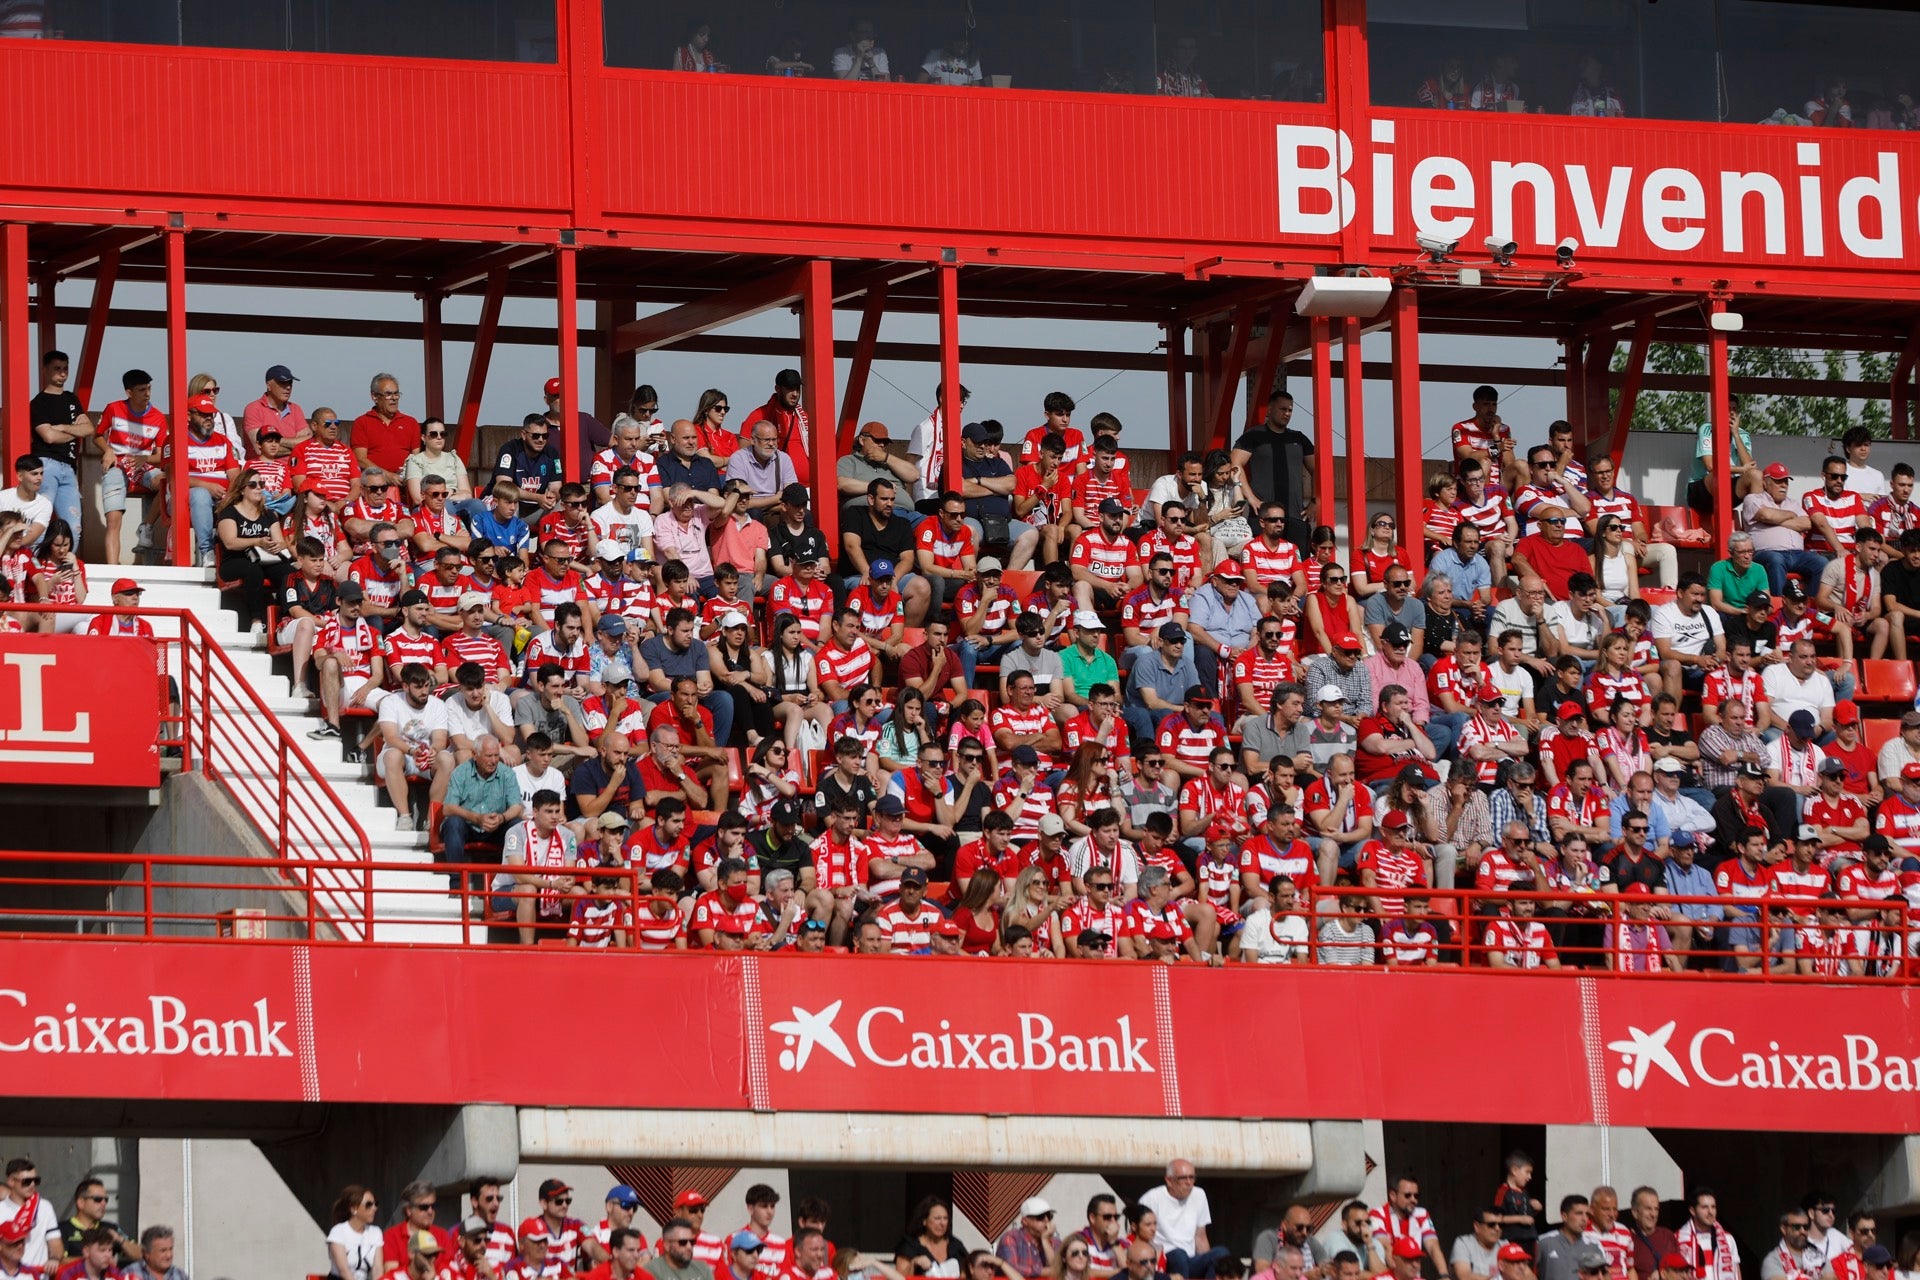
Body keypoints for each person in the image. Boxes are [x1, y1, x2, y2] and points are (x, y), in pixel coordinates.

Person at [1140, 1161, 1227, 1280]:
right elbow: (1139, 1235)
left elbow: (1200, 1237)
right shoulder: (1152, 1198)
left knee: (1221, 1253)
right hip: (1164, 1259)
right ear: (1169, 1180)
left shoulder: (1199, 1195)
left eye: (1192, 1177)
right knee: (1178, 1255)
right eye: (1183, 1178)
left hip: (1190, 1259)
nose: (1189, 1182)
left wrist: (1206, 1263)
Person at [328, 1186, 384, 1280]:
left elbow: (378, 1269)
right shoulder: (338, 1231)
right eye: (369, 1204)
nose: (374, 1208)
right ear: (354, 1209)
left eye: (376, 1204)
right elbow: (344, 1272)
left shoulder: (376, 1232)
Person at [999, 1198, 1062, 1280]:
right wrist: (1044, 1272)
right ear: (1025, 1221)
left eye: (1049, 1216)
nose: (1046, 1220)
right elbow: (1010, 1268)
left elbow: (1059, 1269)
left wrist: (1045, 1240)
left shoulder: (1055, 1241)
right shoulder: (1011, 1238)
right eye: (1040, 1217)